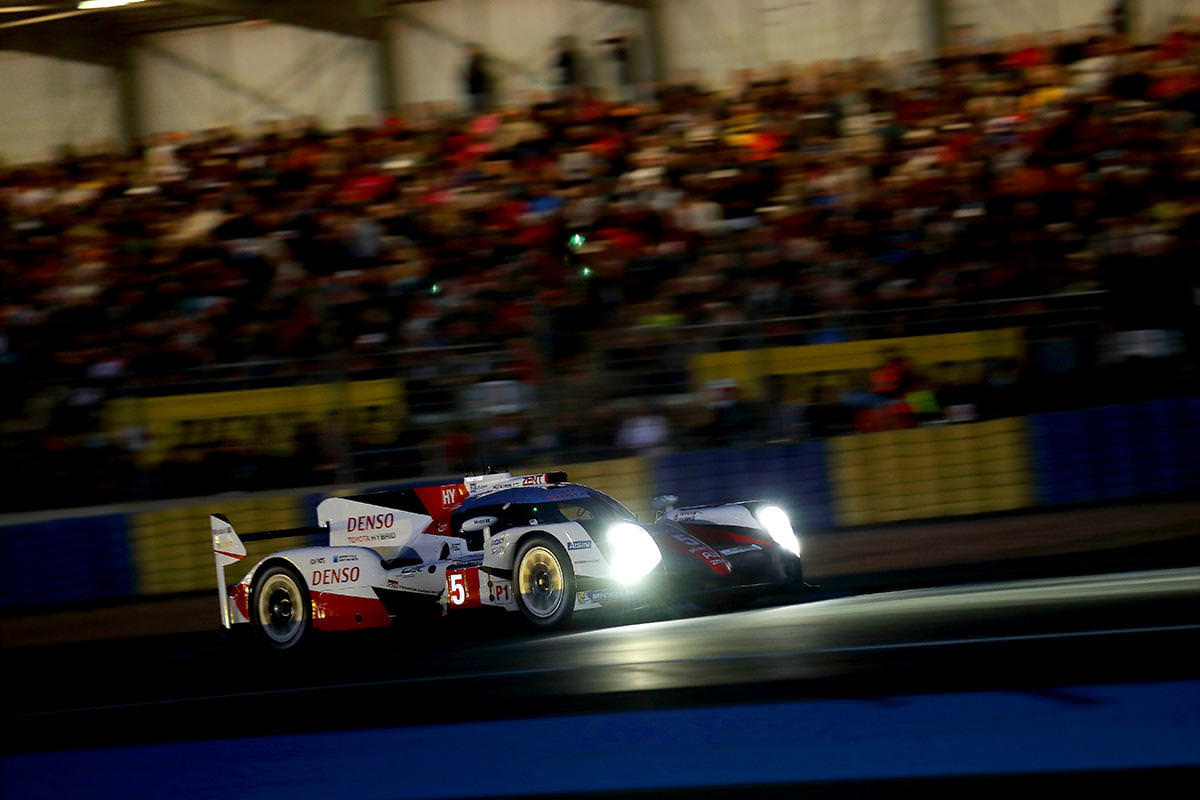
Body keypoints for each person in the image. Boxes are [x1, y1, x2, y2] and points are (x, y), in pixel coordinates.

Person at [464, 43, 492, 113]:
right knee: (478, 109)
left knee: (480, 110)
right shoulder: (474, 62)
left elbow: (480, 75)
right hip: (476, 90)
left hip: (479, 90)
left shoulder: (478, 61)